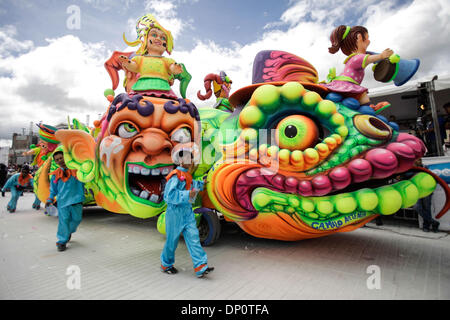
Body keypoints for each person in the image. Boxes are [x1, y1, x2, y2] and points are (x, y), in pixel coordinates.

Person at [160, 150, 214, 278]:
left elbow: (193, 184)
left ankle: (201, 266)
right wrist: (186, 194)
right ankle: (166, 264)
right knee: (171, 241)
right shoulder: (175, 176)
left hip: (187, 212)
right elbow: (168, 196)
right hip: (174, 213)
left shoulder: (187, 175)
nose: (189, 161)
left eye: (190, 158)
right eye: (186, 158)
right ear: (180, 161)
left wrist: (202, 183)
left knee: (194, 238)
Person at [322, 25, 393, 112]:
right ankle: (369, 108)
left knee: (359, 97)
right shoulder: (357, 58)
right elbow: (368, 59)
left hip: (347, 84)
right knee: (362, 95)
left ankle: (367, 109)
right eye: (367, 38)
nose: (369, 41)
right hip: (346, 83)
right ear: (359, 37)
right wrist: (381, 56)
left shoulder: (353, 58)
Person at [119, 14, 191, 99]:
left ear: (166, 45)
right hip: (141, 87)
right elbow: (134, 67)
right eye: (154, 35)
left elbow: (171, 67)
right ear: (146, 39)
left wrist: (175, 68)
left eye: (163, 38)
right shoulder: (140, 59)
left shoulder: (167, 60)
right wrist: (128, 63)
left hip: (163, 87)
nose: (159, 39)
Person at [45, 151, 85, 252]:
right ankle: (62, 241)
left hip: (76, 200)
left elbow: (86, 178)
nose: (60, 161)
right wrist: (50, 199)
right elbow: (53, 189)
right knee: (63, 221)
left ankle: (68, 232)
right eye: (57, 159)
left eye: (61, 158)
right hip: (62, 202)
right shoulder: (56, 174)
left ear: (65, 157)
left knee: (77, 219)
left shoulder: (77, 170)